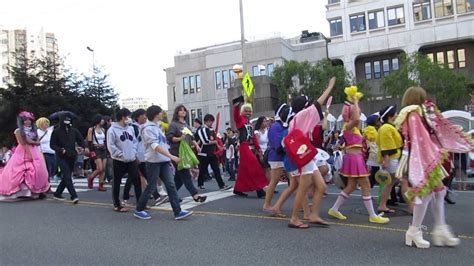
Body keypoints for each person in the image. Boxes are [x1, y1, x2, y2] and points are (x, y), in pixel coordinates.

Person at [396, 87, 472, 248]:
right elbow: (419, 139)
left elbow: (435, 131)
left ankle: (440, 229)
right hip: (420, 157)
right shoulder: (413, 114)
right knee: (426, 193)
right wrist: (435, 152)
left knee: (439, 191)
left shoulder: (422, 113)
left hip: (427, 156)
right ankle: (415, 231)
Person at [328, 86, 390, 224]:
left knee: (350, 186)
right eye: (356, 110)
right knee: (366, 185)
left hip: (355, 158)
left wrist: (355, 103)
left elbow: (356, 119)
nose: (359, 111)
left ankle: (334, 208)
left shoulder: (352, 127)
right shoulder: (349, 125)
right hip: (354, 159)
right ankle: (372, 215)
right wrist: (355, 101)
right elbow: (356, 119)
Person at [286, 77, 335, 229]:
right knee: (304, 188)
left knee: (321, 186)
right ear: (305, 107)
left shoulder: (296, 118)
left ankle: (313, 214)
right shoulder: (302, 115)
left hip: (305, 154)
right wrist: (329, 86)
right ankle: (294, 218)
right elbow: (318, 103)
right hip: (303, 155)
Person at [134, 105, 193, 220]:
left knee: (171, 185)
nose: (163, 114)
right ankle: (139, 209)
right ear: (156, 114)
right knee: (151, 187)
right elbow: (155, 146)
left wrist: (168, 159)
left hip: (164, 161)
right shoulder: (148, 128)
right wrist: (171, 157)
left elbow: (163, 145)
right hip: (153, 162)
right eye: (161, 112)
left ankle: (178, 211)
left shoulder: (158, 127)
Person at [123, 109, 168, 206]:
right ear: (138, 117)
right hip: (136, 156)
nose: (145, 117)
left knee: (145, 177)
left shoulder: (145, 126)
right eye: (143, 115)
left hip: (144, 156)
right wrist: (134, 155)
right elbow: (132, 142)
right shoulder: (133, 127)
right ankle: (127, 199)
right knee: (133, 177)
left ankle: (157, 197)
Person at [0, 112, 49, 201]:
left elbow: (36, 142)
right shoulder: (18, 131)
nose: (28, 122)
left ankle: (34, 191)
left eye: (29, 120)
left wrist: (31, 141)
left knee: (38, 170)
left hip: (34, 151)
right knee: (21, 171)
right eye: (26, 120)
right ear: (22, 121)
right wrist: (30, 150)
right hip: (23, 151)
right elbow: (23, 143)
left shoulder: (33, 130)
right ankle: (20, 192)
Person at [167, 104, 207, 203]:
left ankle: (171, 195)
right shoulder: (173, 124)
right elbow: (170, 137)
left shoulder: (186, 125)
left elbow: (191, 138)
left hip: (186, 152)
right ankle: (195, 195)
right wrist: (180, 138)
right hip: (177, 153)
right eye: (181, 110)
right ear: (177, 112)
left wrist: (196, 145)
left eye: (184, 110)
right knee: (185, 174)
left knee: (179, 178)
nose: (183, 111)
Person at [107, 108, 142, 212]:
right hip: (119, 160)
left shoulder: (130, 128)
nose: (129, 119)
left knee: (136, 180)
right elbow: (111, 145)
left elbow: (134, 141)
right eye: (127, 116)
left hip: (131, 159)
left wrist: (134, 152)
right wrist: (121, 154)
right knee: (117, 181)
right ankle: (117, 204)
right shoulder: (112, 130)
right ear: (122, 117)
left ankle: (140, 203)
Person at [232, 98, 268, 198]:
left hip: (248, 146)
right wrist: (237, 105)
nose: (248, 112)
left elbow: (252, 137)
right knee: (254, 166)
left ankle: (238, 189)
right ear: (242, 111)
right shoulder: (240, 120)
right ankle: (259, 190)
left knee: (244, 170)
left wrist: (258, 148)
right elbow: (235, 115)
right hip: (244, 146)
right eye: (246, 110)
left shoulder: (248, 122)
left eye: (249, 111)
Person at [50, 112, 87, 203]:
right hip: (61, 156)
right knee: (67, 175)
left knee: (66, 177)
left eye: (69, 119)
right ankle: (74, 196)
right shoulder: (56, 131)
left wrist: (82, 147)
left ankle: (57, 193)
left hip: (72, 155)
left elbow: (81, 140)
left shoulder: (74, 131)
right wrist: (60, 150)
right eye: (65, 119)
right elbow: (52, 145)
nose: (67, 121)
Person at [376, 105, 404, 213]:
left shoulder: (389, 127)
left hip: (393, 158)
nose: (397, 115)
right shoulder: (386, 128)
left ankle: (382, 205)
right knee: (401, 181)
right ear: (390, 116)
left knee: (390, 183)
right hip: (391, 159)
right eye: (395, 113)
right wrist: (386, 159)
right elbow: (386, 146)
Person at [262, 103, 290, 212]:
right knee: (274, 181)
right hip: (276, 157)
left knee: (294, 182)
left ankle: (302, 205)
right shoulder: (275, 126)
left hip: (283, 157)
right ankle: (267, 204)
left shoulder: (282, 125)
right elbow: (276, 145)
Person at [195, 114, 232, 191]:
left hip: (212, 153)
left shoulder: (211, 130)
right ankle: (200, 183)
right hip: (203, 153)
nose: (211, 123)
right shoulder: (202, 129)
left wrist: (217, 145)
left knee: (216, 169)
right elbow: (205, 141)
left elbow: (215, 139)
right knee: (203, 169)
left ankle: (221, 185)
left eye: (212, 121)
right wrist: (214, 142)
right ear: (205, 121)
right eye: (209, 121)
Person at [87, 114, 108, 191]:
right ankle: (91, 177)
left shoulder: (103, 130)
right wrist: (93, 148)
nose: (103, 121)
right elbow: (89, 141)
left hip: (103, 149)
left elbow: (106, 140)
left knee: (103, 169)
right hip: (95, 149)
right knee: (99, 168)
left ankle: (101, 185)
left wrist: (103, 145)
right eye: (101, 119)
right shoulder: (91, 129)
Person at [36, 117, 56, 182]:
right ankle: (46, 185)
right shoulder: (37, 132)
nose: (46, 124)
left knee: (53, 168)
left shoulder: (50, 131)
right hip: (43, 152)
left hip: (52, 152)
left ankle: (47, 183)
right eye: (45, 122)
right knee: (47, 169)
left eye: (47, 122)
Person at [363, 114, 380, 188]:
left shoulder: (370, 129)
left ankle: (368, 188)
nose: (380, 122)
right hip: (373, 154)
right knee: (373, 173)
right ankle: (367, 188)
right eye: (378, 120)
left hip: (372, 154)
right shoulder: (371, 130)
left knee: (373, 173)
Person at [254, 116, 271, 181]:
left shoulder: (267, 130)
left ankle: (270, 185)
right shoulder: (257, 132)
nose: (266, 123)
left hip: (267, 151)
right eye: (264, 121)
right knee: (266, 169)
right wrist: (260, 155)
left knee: (268, 169)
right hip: (261, 152)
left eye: (266, 121)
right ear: (260, 123)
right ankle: (269, 185)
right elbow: (257, 144)